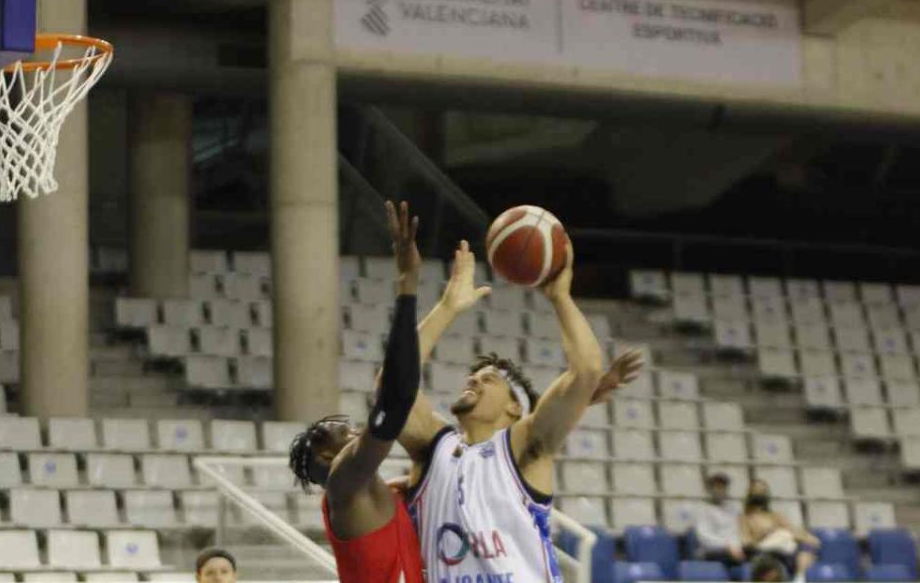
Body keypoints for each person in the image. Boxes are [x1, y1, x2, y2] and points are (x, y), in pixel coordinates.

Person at [397, 233, 644, 582]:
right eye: (474, 376)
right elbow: (391, 387)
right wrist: (447, 308)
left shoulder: (523, 446)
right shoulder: (433, 446)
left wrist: (559, 298)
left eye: (490, 379)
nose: (474, 381)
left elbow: (586, 370)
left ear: (516, 409)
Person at [287, 200, 426, 583]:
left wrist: (448, 305)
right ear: (329, 453)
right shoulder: (344, 483)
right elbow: (395, 399)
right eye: (339, 432)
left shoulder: (378, 493)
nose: (354, 431)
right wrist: (408, 285)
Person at [739, 480, 819, 578]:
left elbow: (791, 530)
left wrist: (807, 537)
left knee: (807, 546)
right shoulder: (744, 518)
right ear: (750, 494)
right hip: (764, 550)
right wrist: (763, 535)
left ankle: (800, 576)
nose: (760, 494)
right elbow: (746, 542)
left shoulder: (775, 515)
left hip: (784, 545)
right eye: (757, 491)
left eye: (763, 491)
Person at [695, 473, 745, 570]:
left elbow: (735, 533)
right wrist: (728, 547)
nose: (720, 490)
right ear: (710, 489)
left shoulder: (733, 509)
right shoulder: (703, 509)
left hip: (734, 549)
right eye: (717, 486)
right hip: (712, 550)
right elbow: (705, 538)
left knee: (758, 554)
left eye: (723, 487)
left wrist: (736, 547)